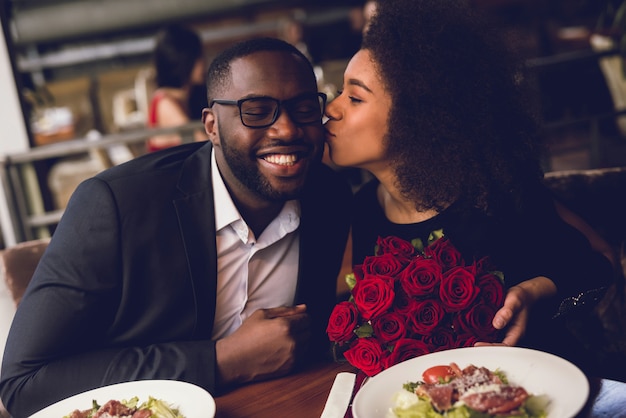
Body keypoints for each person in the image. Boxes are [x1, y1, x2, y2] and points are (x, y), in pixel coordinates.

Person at [0, 37, 351, 416]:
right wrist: (222, 360)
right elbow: (24, 383)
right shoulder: (114, 206)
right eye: (257, 110)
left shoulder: (328, 196)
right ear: (212, 126)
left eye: (303, 108)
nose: (287, 129)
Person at [324, 0, 615, 359]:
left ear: (417, 118)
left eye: (354, 97)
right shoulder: (363, 210)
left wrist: (537, 293)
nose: (331, 108)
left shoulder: (492, 195)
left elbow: (599, 269)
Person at [146, 23, 208, 152]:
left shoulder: (190, 96)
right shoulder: (165, 102)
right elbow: (203, 141)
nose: (204, 62)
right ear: (184, 61)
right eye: (198, 57)